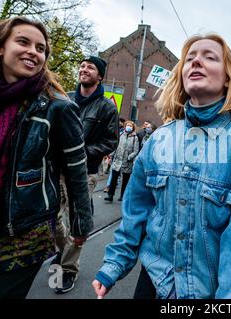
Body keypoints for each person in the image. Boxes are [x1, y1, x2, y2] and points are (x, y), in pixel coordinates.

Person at [93, 33, 231, 299]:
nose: (196, 61)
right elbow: (137, 211)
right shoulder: (159, 139)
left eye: (209, 57)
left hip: (207, 290)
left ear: (227, 77)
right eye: (190, 58)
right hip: (155, 281)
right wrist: (114, 265)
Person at [0, 16, 92, 299]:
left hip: (25, 229)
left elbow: (77, 172)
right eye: (23, 42)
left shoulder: (58, 106)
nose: (34, 51)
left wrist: (81, 225)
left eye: (41, 48)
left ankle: (64, 273)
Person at [51, 55, 119, 294]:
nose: (84, 69)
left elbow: (110, 142)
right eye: (81, 66)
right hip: (55, 169)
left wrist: (79, 153)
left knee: (76, 221)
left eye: (90, 67)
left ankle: (67, 269)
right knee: (53, 220)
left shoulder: (107, 106)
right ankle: (62, 253)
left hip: (84, 172)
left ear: (99, 76)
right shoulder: (64, 97)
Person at [104, 120, 140, 202]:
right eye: (127, 125)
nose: (129, 127)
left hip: (127, 162)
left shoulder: (135, 137)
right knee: (114, 178)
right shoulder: (120, 135)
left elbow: (136, 151)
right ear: (125, 126)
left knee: (125, 180)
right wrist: (111, 155)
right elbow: (116, 147)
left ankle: (122, 195)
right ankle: (110, 195)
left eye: (130, 126)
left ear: (133, 127)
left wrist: (129, 157)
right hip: (118, 160)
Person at [104, 117, 126, 193]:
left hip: (123, 156)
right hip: (115, 154)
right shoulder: (115, 130)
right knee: (112, 171)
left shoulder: (124, 133)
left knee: (118, 172)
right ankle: (109, 186)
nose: (119, 123)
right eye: (118, 122)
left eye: (121, 122)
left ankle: (114, 183)